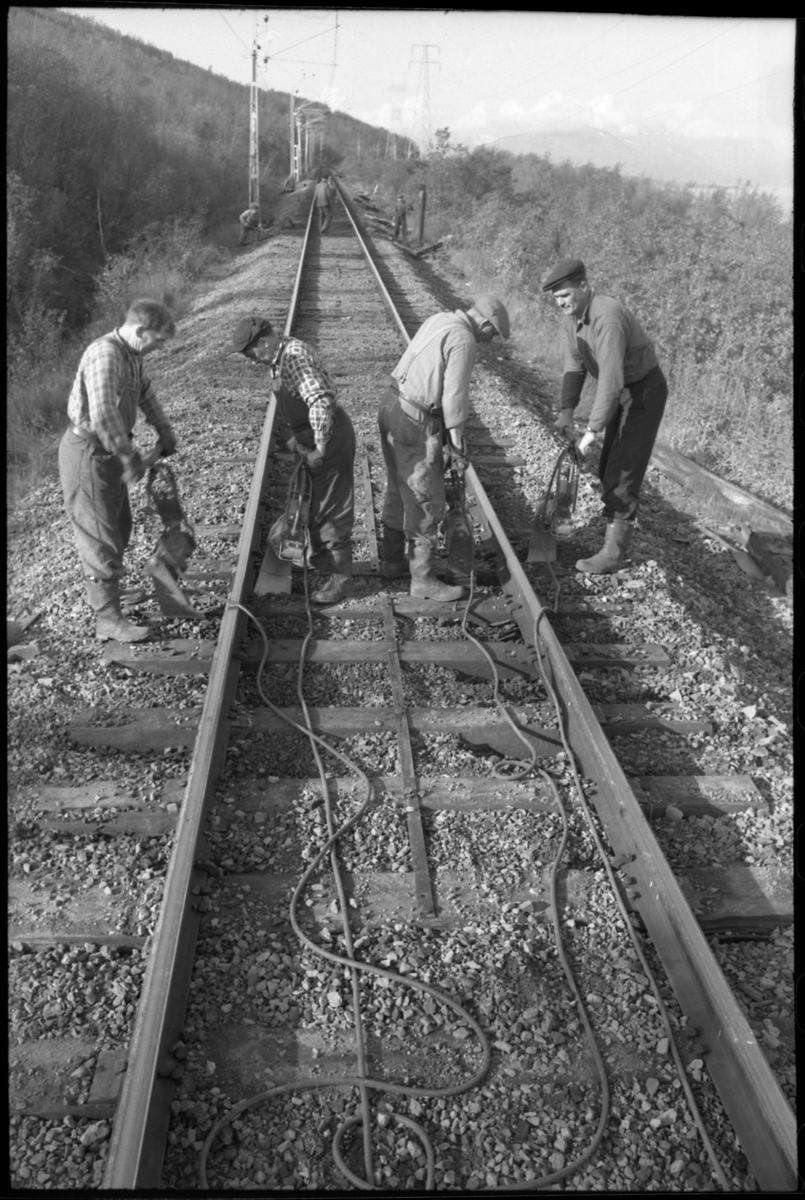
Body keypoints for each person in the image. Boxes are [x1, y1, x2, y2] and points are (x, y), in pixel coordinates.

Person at [58, 298, 178, 642]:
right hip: (89, 452)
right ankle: (107, 619)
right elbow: (104, 416)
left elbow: (145, 393)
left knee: (119, 526)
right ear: (140, 330)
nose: (158, 347)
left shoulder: (131, 355)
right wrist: (130, 457)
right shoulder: (106, 356)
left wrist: (164, 429)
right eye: (157, 340)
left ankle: (111, 591)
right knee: (100, 537)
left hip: (108, 450)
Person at [378, 296, 510, 601]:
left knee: (400, 489)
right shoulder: (464, 339)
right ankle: (423, 579)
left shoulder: (440, 319)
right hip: (414, 419)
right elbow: (454, 399)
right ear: (485, 323)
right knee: (425, 498)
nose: (490, 341)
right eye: (492, 334)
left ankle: (392, 561)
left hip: (390, 405)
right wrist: (458, 446)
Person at [542, 257, 668, 574]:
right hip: (622, 390)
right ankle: (613, 522)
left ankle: (613, 554)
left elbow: (610, 380)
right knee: (606, 464)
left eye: (565, 295)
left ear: (584, 286)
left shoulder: (606, 317)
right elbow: (574, 367)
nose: (561, 302)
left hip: (642, 391)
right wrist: (566, 412)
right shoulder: (573, 321)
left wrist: (591, 431)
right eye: (556, 298)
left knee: (622, 469)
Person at [231, 317, 355, 604]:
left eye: (249, 353)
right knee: (312, 503)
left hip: (331, 440)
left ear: (263, 342)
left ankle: (340, 580)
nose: (250, 360)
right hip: (313, 437)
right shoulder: (278, 356)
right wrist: (298, 436)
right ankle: (324, 563)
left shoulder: (294, 357)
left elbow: (320, 400)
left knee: (331, 510)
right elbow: (299, 401)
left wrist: (320, 448)